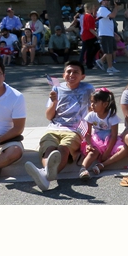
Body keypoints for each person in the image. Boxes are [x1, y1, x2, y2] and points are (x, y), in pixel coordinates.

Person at [24, 60, 94, 191]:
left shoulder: (88, 89)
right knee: (49, 148)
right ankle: (47, 175)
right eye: (69, 71)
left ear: (82, 76)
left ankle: (44, 175)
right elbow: (49, 116)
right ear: (63, 75)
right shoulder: (56, 88)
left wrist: (89, 133)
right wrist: (54, 102)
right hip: (54, 127)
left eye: (76, 72)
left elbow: (92, 111)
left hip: (75, 129)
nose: (71, 74)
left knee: (64, 148)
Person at [78, 88, 128, 181]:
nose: (91, 105)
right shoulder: (91, 115)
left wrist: (107, 152)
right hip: (96, 139)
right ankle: (83, 169)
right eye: (91, 102)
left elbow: (114, 136)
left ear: (105, 104)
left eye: (95, 102)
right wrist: (89, 144)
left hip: (109, 140)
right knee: (93, 152)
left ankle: (102, 165)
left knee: (125, 149)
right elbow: (88, 133)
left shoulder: (112, 117)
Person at [95, 0, 119, 74]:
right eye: (105, 0)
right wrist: (116, 7)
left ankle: (101, 61)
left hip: (109, 33)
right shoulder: (102, 9)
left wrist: (113, 33)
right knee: (108, 51)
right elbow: (113, 15)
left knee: (111, 50)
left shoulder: (106, 9)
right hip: (105, 33)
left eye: (108, 0)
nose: (107, 1)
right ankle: (109, 67)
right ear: (101, 2)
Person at [79, 2, 98, 70]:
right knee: (91, 49)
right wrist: (97, 35)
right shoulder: (88, 16)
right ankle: (89, 63)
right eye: (92, 8)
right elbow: (90, 28)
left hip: (88, 35)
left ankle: (89, 62)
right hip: (88, 35)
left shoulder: (86, 16)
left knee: (92, 48)